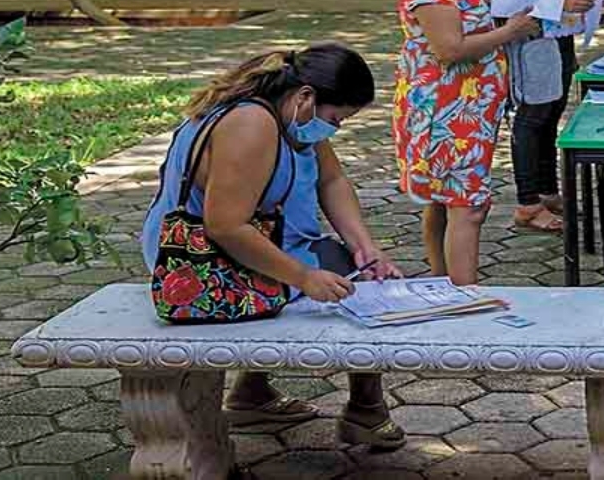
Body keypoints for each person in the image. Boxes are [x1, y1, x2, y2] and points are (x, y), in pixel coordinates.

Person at [141, 43, 407, 449]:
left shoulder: (288, 111)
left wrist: (365, 247)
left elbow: (331, 181)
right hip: (197, 259)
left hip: (243, 241)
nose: (333, 129)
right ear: (306, 98)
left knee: (356, 267)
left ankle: (253, 393)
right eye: (335, 118)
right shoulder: (252, 123)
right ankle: (366, 410)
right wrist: (304, 276)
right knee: (352, 287)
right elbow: (225, 225)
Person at [393, 0, 538, 286]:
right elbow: (450, 49)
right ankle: (465, 296)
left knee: (444, 200)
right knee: (467, 205)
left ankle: (442, 285)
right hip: (446, 111)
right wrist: (509, 32)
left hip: (468, 109)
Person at [493, 0, 602, 233]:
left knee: (552, 114)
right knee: (532, 117)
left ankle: (547, 191)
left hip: (560, 33)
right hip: (533, 35)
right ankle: (526, 202)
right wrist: (561, 1)